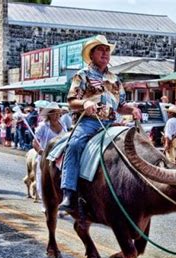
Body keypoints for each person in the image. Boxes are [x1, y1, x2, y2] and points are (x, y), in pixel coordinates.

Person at [58, 35, 141, 212]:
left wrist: (132, 109)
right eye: (100, 50)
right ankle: (68, 192)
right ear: (92, 54)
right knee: (74, 145)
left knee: (134, 144)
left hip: (112, 123)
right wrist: (85, 103)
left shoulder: (115, 79)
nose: (105, 53)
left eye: (107, 50)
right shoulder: (82, 75)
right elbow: (72, 101)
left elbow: (120, 106)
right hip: (89, 122)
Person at [33, 102, 67, 206]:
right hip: (45, 157)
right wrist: (40, 151)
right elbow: (35, 142)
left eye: (58, 114)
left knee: (58, 180)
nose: (57, 116)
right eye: (54, 114)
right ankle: (45, 203)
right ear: (49, 114)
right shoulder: (43, 126)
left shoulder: (63, 125)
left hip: (59, 157)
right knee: (43, 180)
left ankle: (59, 201)